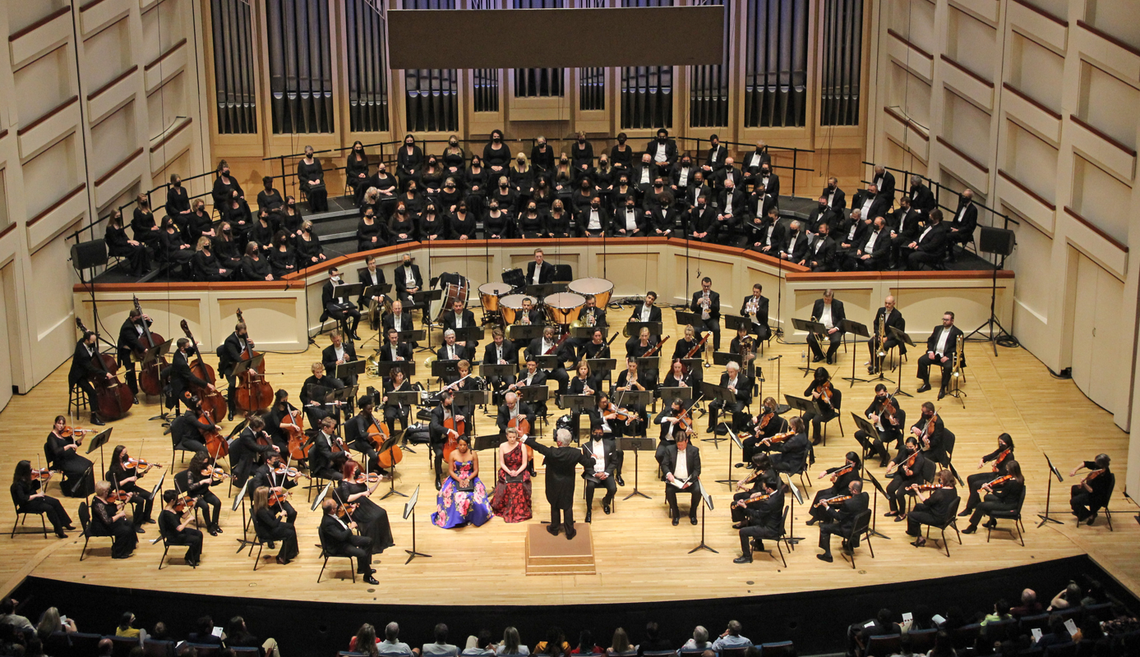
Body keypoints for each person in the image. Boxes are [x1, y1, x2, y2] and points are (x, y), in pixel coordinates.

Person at [523, 429, 595, 539]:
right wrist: (593, 458)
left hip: (553, 484)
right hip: (568, 484)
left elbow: (537, 446)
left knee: (554, 505)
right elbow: (588, 463)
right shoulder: (575, 453)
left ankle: (554, 528)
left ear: (559, 443)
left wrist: (523, 437)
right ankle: (570, 532)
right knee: (568, 507)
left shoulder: (552, 452)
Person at [431, 436, 493, 528]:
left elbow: (476, 470)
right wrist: (459, 480)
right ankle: (457, 519)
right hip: (456, 477)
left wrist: (468, 479)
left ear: (467, 445)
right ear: (457, 444)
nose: (462, 447)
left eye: (464, 445)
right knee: (450, 494)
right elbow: (451, 471)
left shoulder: (473, 454)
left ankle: (471, 517)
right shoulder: (453, 454)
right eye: (460, 445)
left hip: (470, 477)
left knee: (473, 496)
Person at [337, 461, 395, 553]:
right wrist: (361, 494)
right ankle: (373, 546)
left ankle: (383, 542)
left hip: (365, 503)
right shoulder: (344, 484)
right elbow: (348, 498)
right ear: (350, 470)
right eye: (355, 469)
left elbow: (369, 492)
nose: (358, 470)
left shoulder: (359, 480)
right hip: (356, 507)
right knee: (373, 519)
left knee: (382, 513)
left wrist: (378, 482)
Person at [319, 498, 377, 584]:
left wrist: (351, 508)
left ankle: (363, 568)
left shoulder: (331, 514)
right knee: (362, 554)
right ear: (332, 510)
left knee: (369, 541)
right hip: (338, 545)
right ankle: (367, 576)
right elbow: (341, 537)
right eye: (336, 506)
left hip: (345, 537)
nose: (338, 507)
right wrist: (350, 528)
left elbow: (341, 524)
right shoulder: (327, 523)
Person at [11, 460, 73, 538]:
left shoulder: (28, 478)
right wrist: (37, 495)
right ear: (24, 471)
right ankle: (59, 531)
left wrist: (47, 479)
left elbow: (37, 485)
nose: (32, 470)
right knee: (50, 508)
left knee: (55, 502)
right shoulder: (18, 485)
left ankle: (65, 523)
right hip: (27, 504)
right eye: (30, 469)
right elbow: (24, 498)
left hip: (35, 498)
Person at [962, 459, 1025, 534]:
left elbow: (1001, 495)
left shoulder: (1011, 483)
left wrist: (990, 489)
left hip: (1007, 505)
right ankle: (992, 521)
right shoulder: (1020, 479)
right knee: (987, 497)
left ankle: (972, 526)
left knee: (980, 506)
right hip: (1011, 501)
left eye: (1008, 469)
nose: (1007, 471)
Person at [733, 475, 784, 563]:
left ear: (769, 489)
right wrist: (761, 494)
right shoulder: (779, 493)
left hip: (770, 529)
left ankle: (747, 556)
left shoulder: (769, 503)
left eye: (765, 488)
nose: (764, 489)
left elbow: (757, 515)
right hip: (776, 522)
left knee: (743, 532)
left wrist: (745, 507)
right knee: (752, 521)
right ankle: (758, 544)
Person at [816, 479, 868, 563]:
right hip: (861, 526)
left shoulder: (849, 503)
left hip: (848, 529)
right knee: (852, 517)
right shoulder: (865, 496)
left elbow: (838, 517)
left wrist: (827, 507)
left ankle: (827, 555)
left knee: (824, 528)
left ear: (854, 491)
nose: (848, 490)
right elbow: (854, 508)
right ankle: (849, 546)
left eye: (849, 488)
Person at [854, 384, 907, 467]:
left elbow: (897, 419)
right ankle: (873, 449)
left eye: (882, 395)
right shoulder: (877, 399)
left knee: (877, 442)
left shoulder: (893, 402)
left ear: (886, 392)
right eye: (878, 395)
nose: (880, 397)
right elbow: (867, 411)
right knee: (858, 434)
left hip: (889, 430)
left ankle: (885, 457)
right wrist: (872, 415)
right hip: (877, 427)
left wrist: (891, 419)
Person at [962, 433, 1015, 515]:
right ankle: (975, 502)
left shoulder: (1010, 456)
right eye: (999, 442)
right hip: (994, 475)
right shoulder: (1001, 451)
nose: (1000, 444)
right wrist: (983, 460)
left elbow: (1005, 472)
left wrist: (996, 467)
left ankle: (969, 508)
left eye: (1002, 442)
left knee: (976, 484)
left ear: (1007, 443)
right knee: (971, 478)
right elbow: (992, 455)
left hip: (1000, 479)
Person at [106, 444, 155, 531]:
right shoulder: (114, 468)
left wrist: (146, 470)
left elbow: (136, 476)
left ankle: (146, 517)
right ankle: (136, 525)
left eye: (126, 453)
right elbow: (114, 485)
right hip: (123, 491)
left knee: (150, 496)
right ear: (118, 455)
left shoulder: (128, 463)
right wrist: (128, 479)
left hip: (133, 487)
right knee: (140, 501)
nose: (126, 455)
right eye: (124, 453)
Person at [905, 469, 959, 547]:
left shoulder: (940, 493)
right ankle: (913, 531)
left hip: (937, 518)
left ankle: (920, 539)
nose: (939, 480)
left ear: (944, 480)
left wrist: (917, 491)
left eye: (940, 478)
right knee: (918, 506)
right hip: (946, 514)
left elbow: (927, 502)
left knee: (911, 515)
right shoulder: (953, 489)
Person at [45, 415, 95, 497]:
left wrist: (83, 436)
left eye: (62, 424)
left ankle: (88, 490)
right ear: (55, 423)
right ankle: (76, 491)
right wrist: (69, 446)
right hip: (62, 461)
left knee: (89, 464)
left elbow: (75, 445)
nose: (61, 426)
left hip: (72, 457)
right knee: (81, 470)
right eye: (59, 423)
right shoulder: (51, 437)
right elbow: (56, 451)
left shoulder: (66, 433)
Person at [917, 311, 963, 398]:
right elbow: (930, 340)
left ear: (952, 321)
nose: (944, 321)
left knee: (948, 367)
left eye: (947, 320)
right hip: (936, 354)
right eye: (944, 319)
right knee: (921, 360)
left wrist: (948, 356)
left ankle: (943, 387)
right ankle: (926, 383)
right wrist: (930, 351)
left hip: (947, 356)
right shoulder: (937, 328)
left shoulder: (958, 332)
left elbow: (958, 348)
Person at [68, 330, 109, 427]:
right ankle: (93, 416)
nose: (94, 343)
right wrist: (105, 373)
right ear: (86, 340)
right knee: (92, 392)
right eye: (92, 342)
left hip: (86, 373)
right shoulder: (82, 353)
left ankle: (97, 406)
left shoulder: (82, 341)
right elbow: (90, 367)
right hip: (79, 376)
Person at [491, 427, 532, 523]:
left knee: (519, 485)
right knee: (507, 484)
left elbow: (524, 463)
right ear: (507, 437)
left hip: (519, 470)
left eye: (514, 437)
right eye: (510, 437)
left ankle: (520, 510)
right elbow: (502, 463)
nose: (512, 439)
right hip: (507, 470)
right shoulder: (502, 446)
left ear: (517, 436)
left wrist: (517, 472)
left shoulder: (522, 446)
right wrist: (509, 472)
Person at [90, 480, 138, 559]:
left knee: (129, 523)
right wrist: (119, 515)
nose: (110, 492)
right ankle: (118, 553)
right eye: (108, 490)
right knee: (125, 530)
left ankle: (129, 547)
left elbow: (113, 509)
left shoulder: (104, 498)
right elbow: (107, 521)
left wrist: (126, 501)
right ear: (104, 492)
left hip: (108, 522)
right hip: (101, 527)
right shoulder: (98, 505)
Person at [581, 425, 620, 523]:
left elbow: (614, 461)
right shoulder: (586, 446)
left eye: (600, 433)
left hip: (606, 472)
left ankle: (606, 502)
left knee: (613, 489)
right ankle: (589, 510)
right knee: (589, 487)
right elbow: (586, 464)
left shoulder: (610, 444)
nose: (598, 434)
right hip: (592, 474)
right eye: (596, 433)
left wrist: (606, 473)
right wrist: (594, 474)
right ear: (592, 433)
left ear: (603, 433)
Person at [662, 432, 701, 526]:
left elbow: (697, 469)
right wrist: (668, 474)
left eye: (682, 444)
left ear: (686, 441)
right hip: (675, 480)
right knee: (669, 491)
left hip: (689, 480)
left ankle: (693, 513)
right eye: (678, 444)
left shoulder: (694, 450)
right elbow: (664, 464)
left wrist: (690, 482)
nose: (679, 446)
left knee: (698, 491)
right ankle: (676, 514)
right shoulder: (669, 449)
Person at [157, 490, 202, 566]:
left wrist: (192, 506)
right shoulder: (168, 514)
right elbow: (179, 528)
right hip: (174, 536)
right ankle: (190, 558)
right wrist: (189, 520)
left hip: (178, 532)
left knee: (199, 533)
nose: (178, 500)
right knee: (196, 540)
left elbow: (183, 516)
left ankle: (194, 555)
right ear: (172, 500)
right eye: (176, 498)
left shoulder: (174, 508)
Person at [884, 436, 925, 520]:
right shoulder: (905, 451)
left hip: (912, 479)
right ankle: (894, 509)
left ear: (916, 446)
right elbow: (897, 459)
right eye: (907, 447)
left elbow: (915, 472)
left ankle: (902, 513)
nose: (909, 449)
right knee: (890, 489)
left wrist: (908, 471)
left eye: (911, 447)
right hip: (902, 475)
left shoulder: (919, 458)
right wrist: (890, 465)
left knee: (900, 493)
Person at [1069, 453, 1113, 525]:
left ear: (1102, 465)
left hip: (1097, 497)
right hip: (1092, 489)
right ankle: (1079, 511)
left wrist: (1084, 484)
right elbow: (1085, 463)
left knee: (1073, 501)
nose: (1095, 464)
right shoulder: (1099, 467)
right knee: (1074, 488)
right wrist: (1075, 470)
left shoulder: (1105, 478)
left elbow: (1092, 490)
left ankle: (1090, 514)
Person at [708, 361, 750, 433]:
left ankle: (735, 429)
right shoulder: (724, 377)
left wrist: (735, 391)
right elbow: (720, 387)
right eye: (728, 372)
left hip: (737, 399)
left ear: (737, 371)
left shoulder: (744, 380)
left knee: (737, 410)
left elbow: (746, 394)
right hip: (725, 398)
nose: (730, 374)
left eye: (732, 372)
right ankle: (712, 425)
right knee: (712, 405)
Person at [868, 296, 906, 375]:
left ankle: (877, 366)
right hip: (881, 336)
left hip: (892, 338)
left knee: (885, 345)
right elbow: (876, 323)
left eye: (889, 303)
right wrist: (879, 335)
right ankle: (874, 362)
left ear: (894, 304)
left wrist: (887, 338)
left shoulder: (897, 315)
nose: (887, 305)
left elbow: (897, 331)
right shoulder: (880, 310)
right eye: (886, 303)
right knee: (871, 342)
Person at [323, 268, 363, 341]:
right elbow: (328, 303)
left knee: (357, 314)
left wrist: (346, 307)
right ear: (330, 276)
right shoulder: (326, 287)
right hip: (335, 308)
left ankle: (352, 331)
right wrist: (340, 309)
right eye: (335, 275)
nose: (337, 276)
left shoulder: (341, 282)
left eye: (338, 274)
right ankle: (349, 335)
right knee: (343, 316)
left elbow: (346, 297)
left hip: (344, 305)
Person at [802, 368, 838, 447]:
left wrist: (826, 400)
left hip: (825, 409)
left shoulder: (829, 386)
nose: (820, 379)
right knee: (805, 417)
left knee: (816, 420)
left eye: (821, 378)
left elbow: (832, 403)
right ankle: (804, 437)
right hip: (815, 407)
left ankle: (818, 437)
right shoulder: (815, 382)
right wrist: (813, 392)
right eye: (818, 377)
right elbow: (806, 393)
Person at [807, 290, 845, 365]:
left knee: (836, 341)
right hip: (820, 328)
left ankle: (829, 356)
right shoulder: (818, 302)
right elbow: (813, 317)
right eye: (825, 299)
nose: (826, 301)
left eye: (828, 299)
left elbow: (842, 319)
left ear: (832, 298)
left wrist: (836, 328)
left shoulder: (838, 304)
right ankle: (819, 355)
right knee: (810, 338)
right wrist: (815, 327)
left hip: (833, 328)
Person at [298, 145, 328, 211]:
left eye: (311, 153)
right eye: (308, 153)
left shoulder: (317, 161)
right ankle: (314, 208)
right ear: (305, 153)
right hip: (306, 182)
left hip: (317, 180)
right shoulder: (301, 163)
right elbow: (300, 176)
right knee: (313, 191)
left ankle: (323, 207)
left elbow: (321, 173)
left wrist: (318, 179)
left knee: (322, 189)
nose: (310, 154)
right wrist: (308, 181)